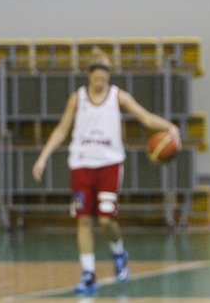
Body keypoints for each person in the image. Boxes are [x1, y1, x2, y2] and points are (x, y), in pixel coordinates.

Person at [32, 48, 181, 294]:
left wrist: (169, 126)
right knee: (83, 220)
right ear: (89, 76)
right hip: (81, 164)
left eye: (104, 77)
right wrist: (43, 158)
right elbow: (61, 129)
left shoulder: (117, 96)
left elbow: (144, 117)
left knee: (105, 219)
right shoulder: (78, 98)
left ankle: (119, 253)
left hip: (109, 165)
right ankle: (88, 273)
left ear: (108, 77)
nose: (100, 81)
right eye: (97, 76)